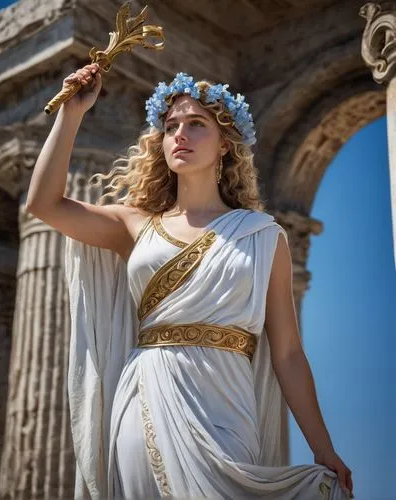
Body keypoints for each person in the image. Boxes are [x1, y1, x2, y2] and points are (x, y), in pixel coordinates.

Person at [26, 63, 354, 500]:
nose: (180, 134)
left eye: (196, 124)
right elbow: (44, 204)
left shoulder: (261, 235)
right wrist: (71, 113)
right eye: (171, 126)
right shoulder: (135, 225)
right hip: (146, 396)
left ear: (224, 145)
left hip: (229, 405)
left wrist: (322, 447)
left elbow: (289, 353)